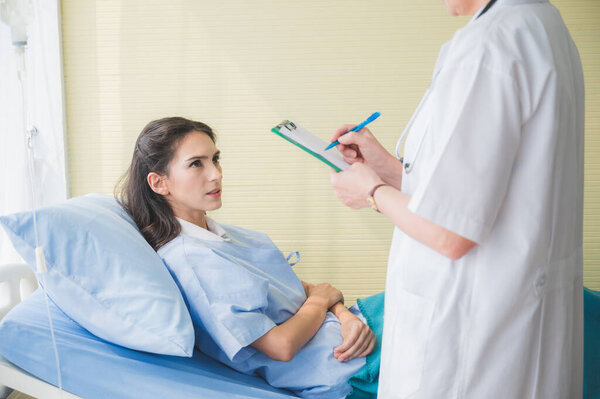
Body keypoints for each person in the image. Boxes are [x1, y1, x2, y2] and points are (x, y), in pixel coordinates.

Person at [328, 0, 584, 397]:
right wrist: (388, 169)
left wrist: (372, 192)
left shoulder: (489, 45)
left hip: (466, 340)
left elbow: (450, 231)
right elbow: (482, 192)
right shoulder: (542, 26)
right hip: (512, 321)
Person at [116, 116, 383, 399]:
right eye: (196, 164)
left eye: (215, 159)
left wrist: (345, 317)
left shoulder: (223, 236)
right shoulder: (191, 262)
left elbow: (307, 289)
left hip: (355, 327)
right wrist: (323, 301)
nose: (216, 174)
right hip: (348, 369)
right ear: (159, 183)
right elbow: (282, 345)